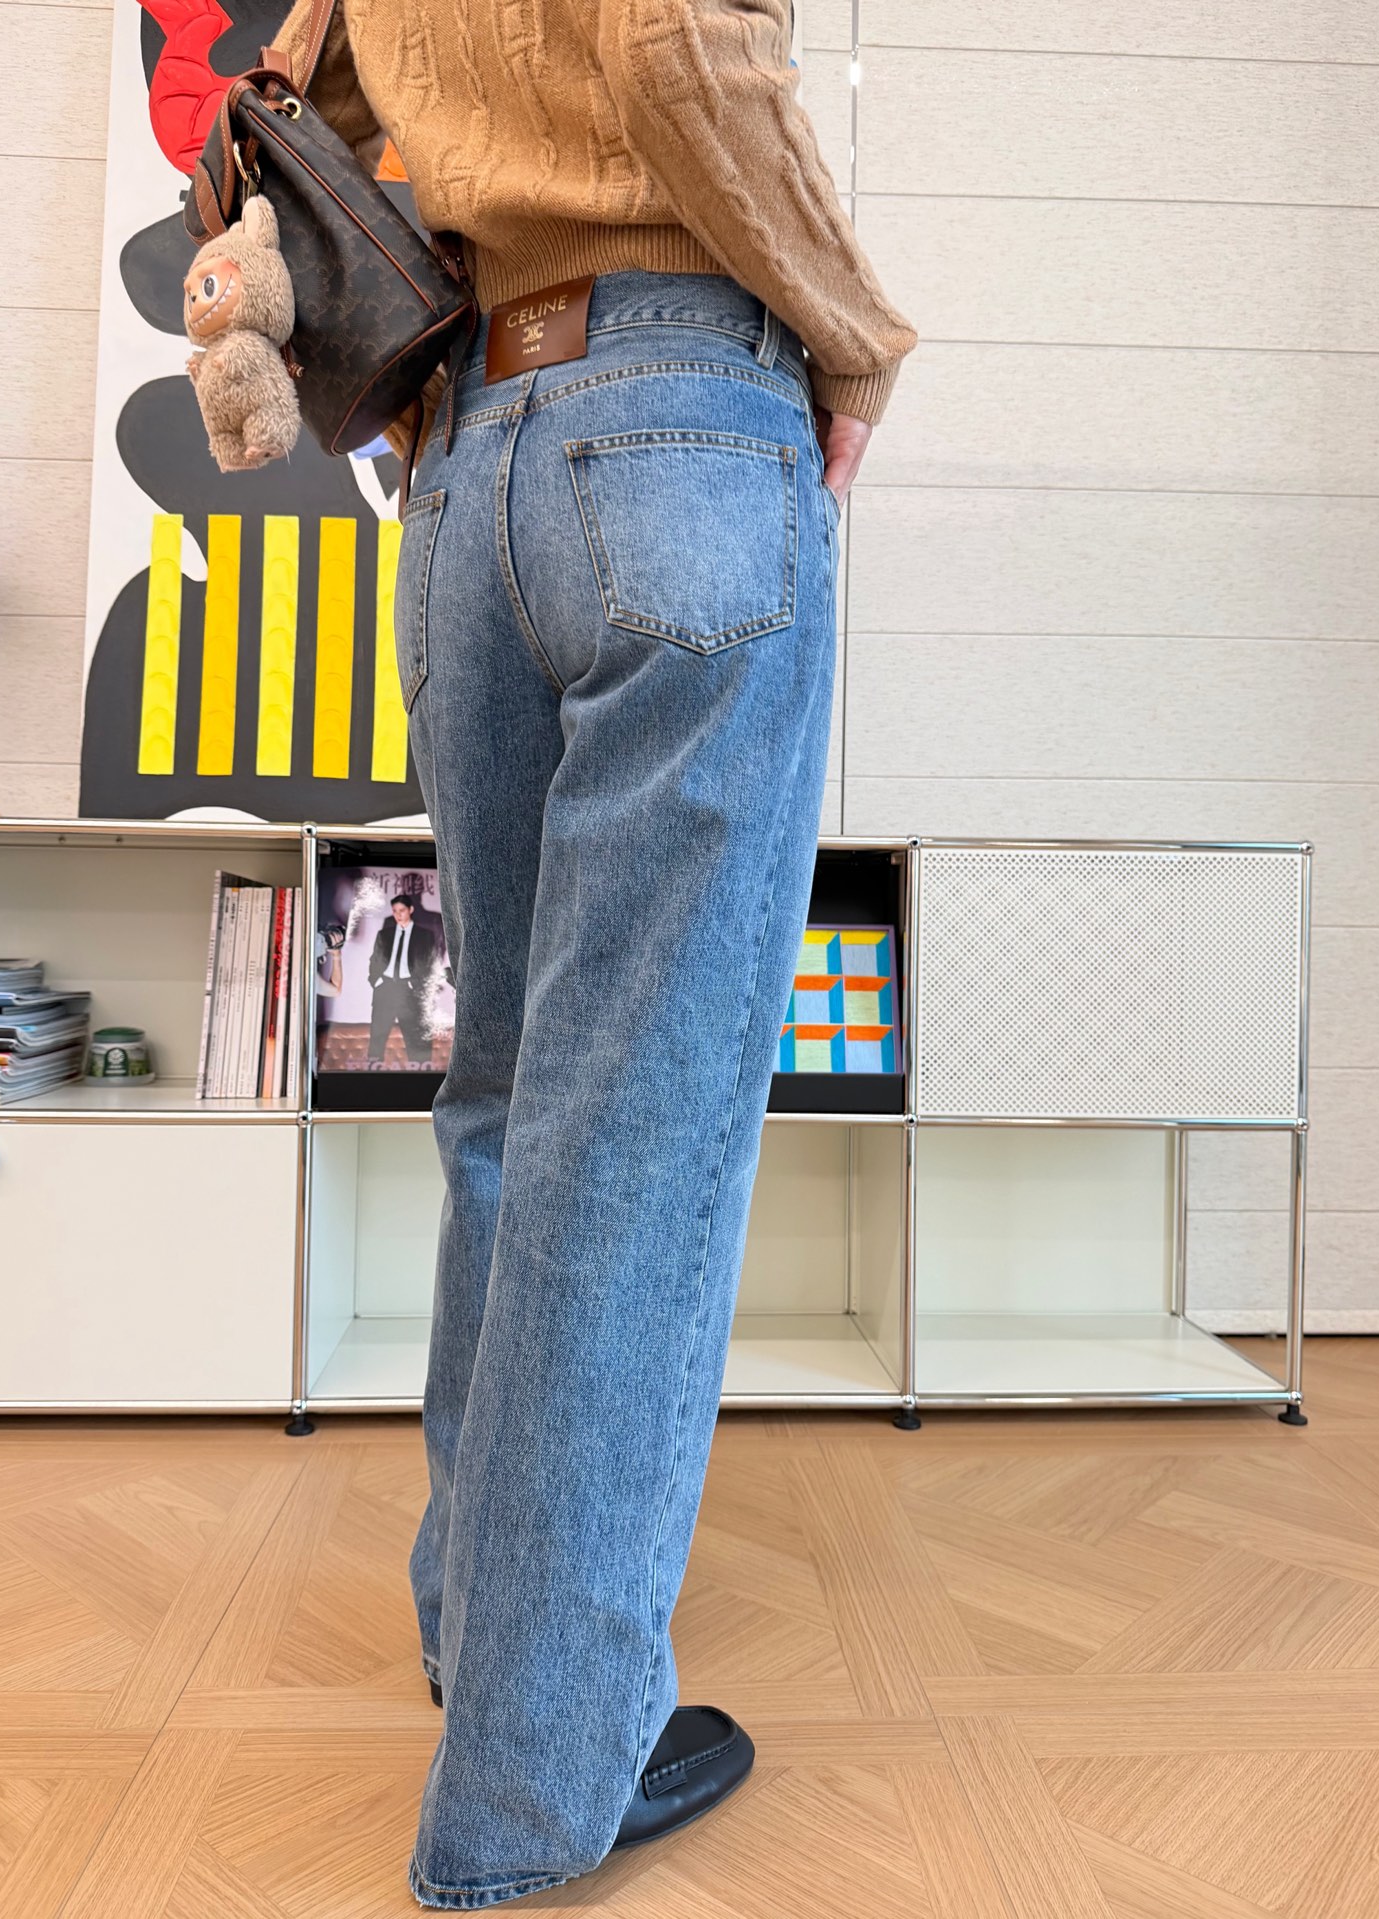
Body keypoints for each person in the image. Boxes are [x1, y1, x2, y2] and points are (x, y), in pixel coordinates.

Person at [264, 0, 918, 1904]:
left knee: (511, 1102)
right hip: (680, 426)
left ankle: (484, 1636)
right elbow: (673, 38)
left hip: (471, 475)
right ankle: (534, 1784)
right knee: (633, 1123)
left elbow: (308, 94)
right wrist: (855, 334)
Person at [367, 895, 438, 1066]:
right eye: (394, 911)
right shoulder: (384, 934)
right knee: (377, 1036)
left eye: (402, 910)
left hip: (410, 990)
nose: (398, 915)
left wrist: (416, 986)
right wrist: (376, 981)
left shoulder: (425, 935)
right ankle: (372, 1073)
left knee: (416, 1037)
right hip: (385, 988)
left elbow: (429, 964)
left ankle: (421, 1073)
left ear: (410, 910)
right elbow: (375, 960)